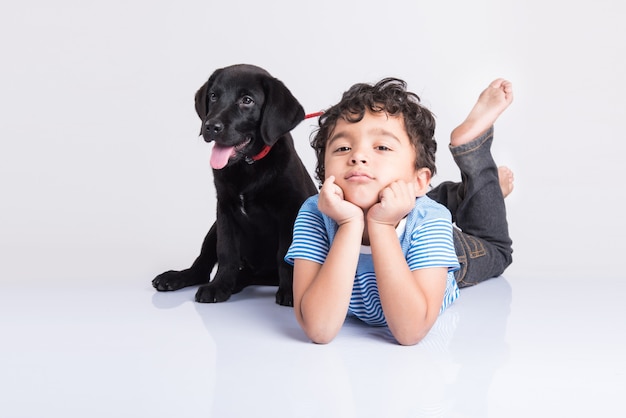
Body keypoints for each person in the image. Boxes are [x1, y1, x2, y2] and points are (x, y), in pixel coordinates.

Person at [285, 77, 514, 345]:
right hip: (407, 197)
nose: (357, 156)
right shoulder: (314, 213)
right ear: (325, 175)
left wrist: (381, 226)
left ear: (419, 179)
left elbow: (410, 331)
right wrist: (349, 224)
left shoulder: (429, 220)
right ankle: (470, 193)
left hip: (427, 243)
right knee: (397, 190)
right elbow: (318, 328)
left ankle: (477, 163)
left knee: (496, 251)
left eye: (381, 147)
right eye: (343, 147)